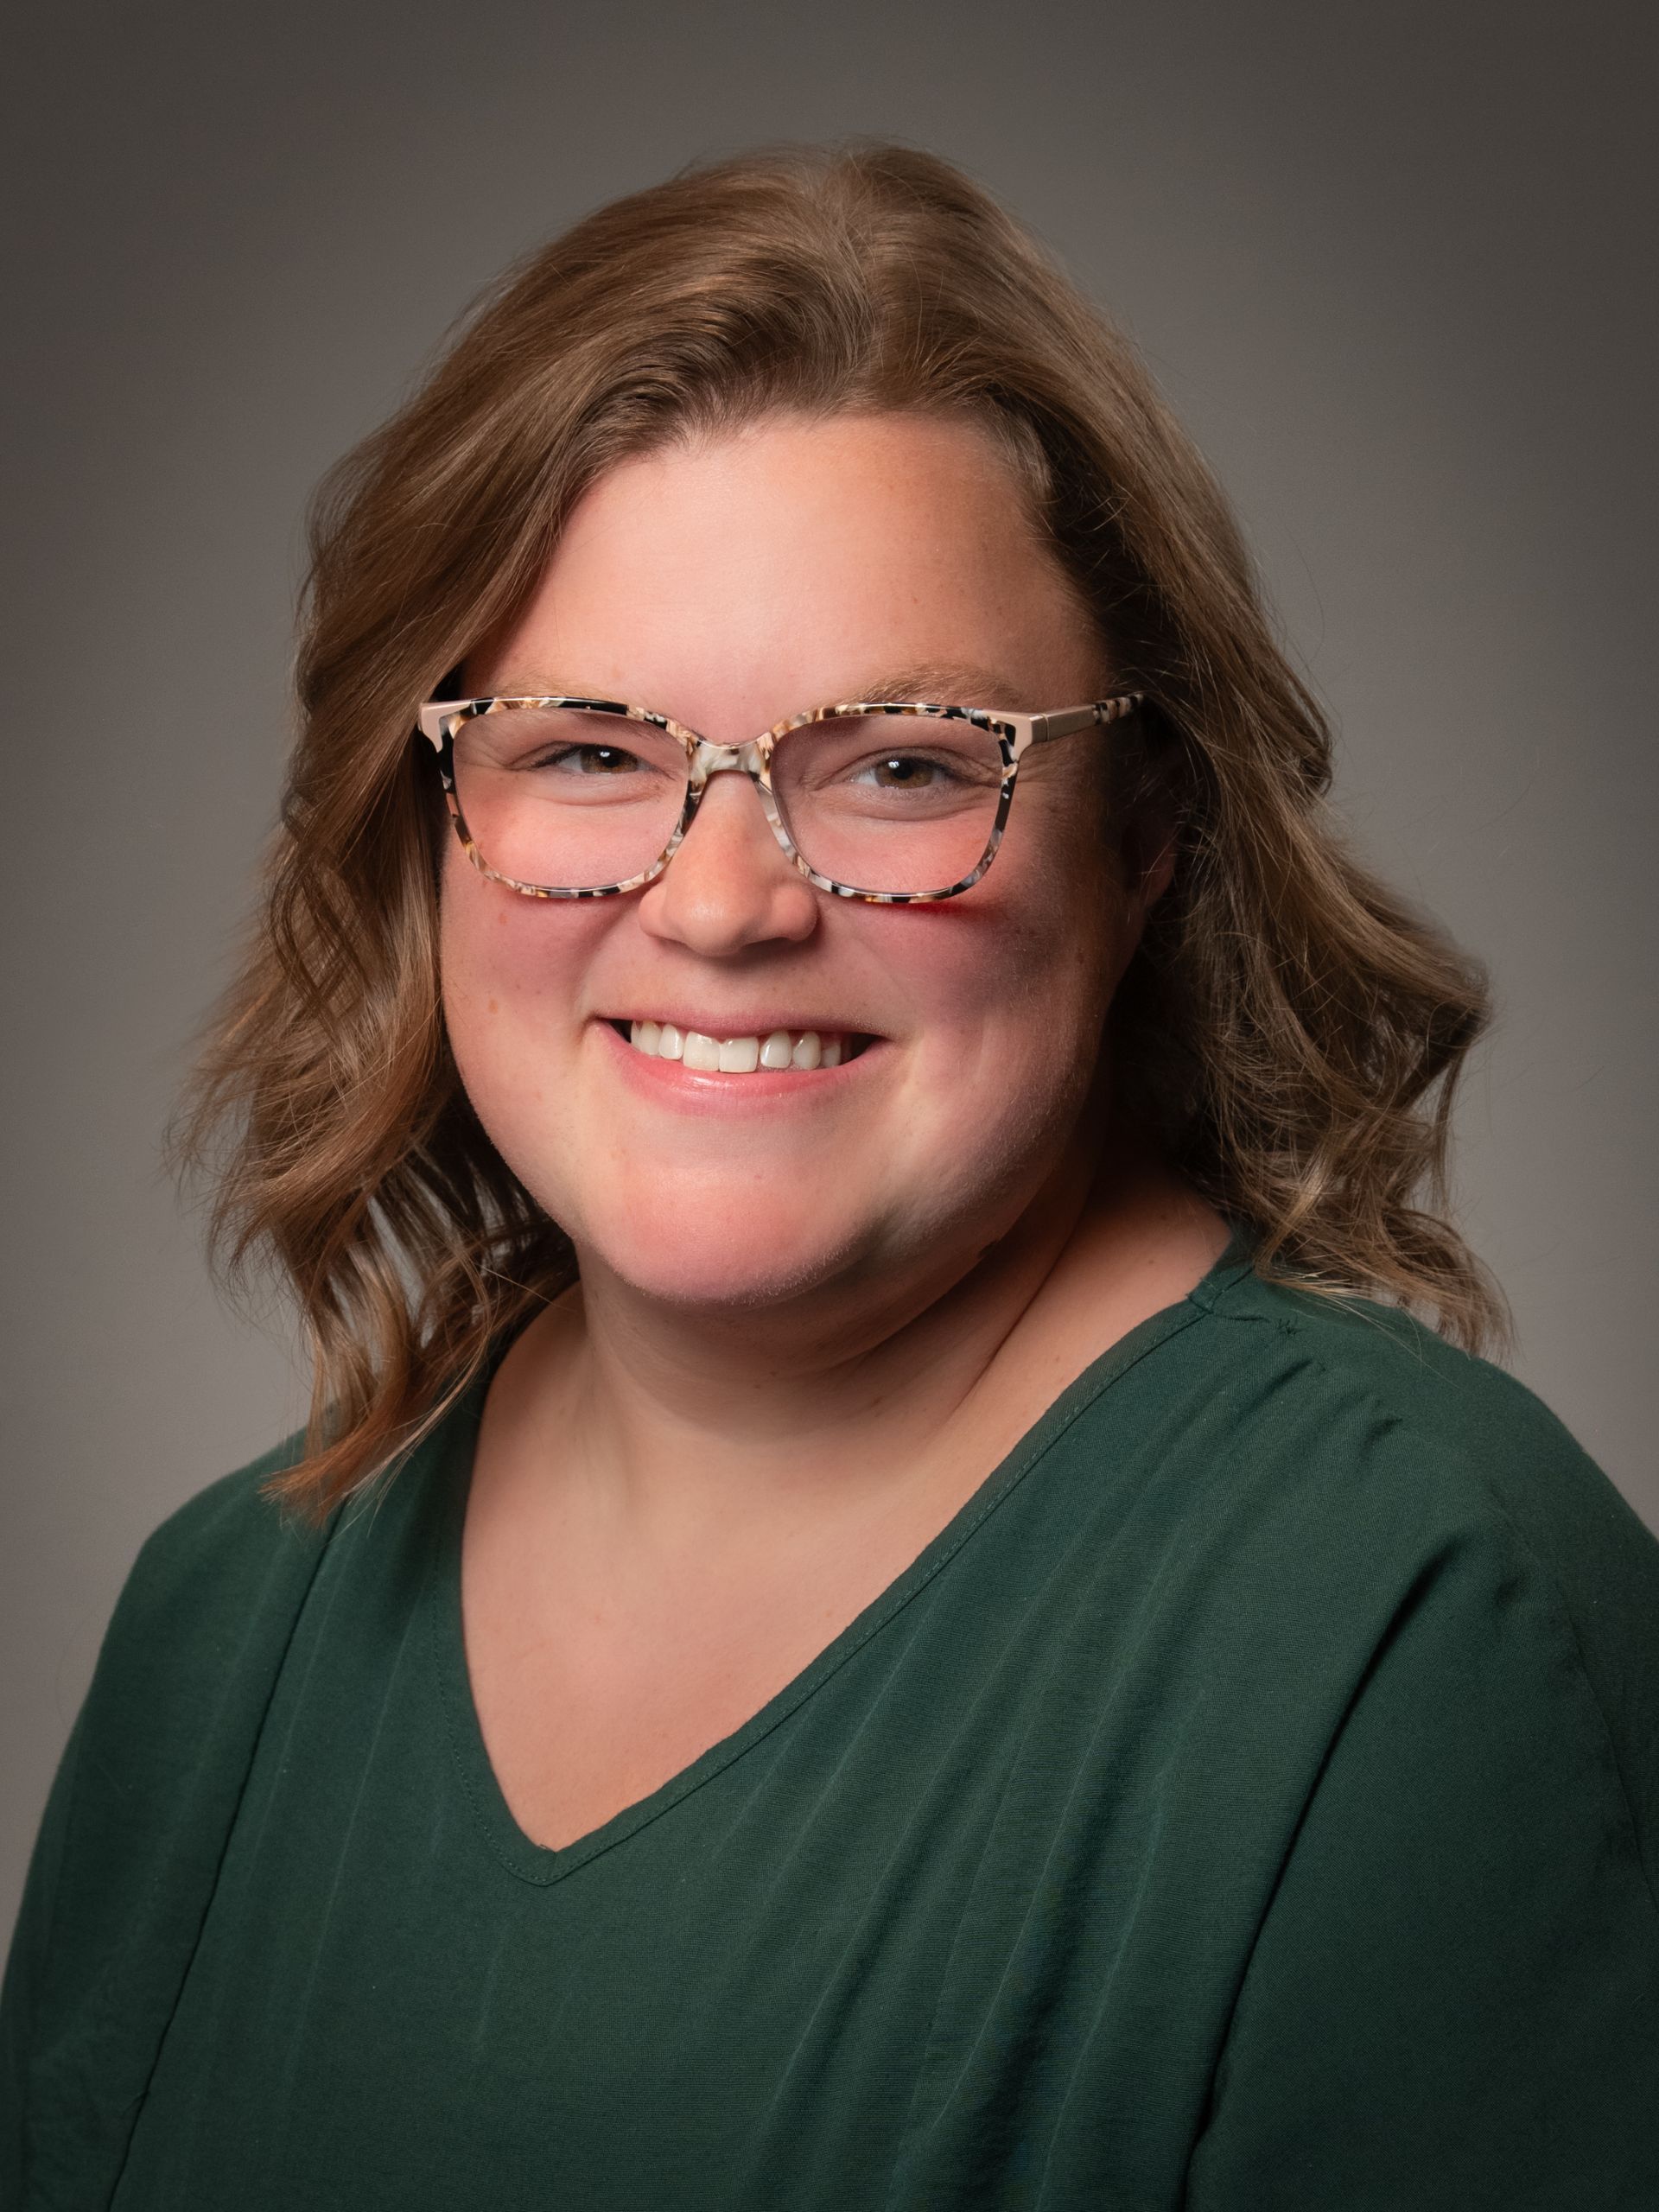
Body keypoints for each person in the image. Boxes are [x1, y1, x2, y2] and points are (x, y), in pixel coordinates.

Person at [3, 142, 1656, 2211]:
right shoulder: (222, 1629)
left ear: (1144, 841)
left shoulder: (1422, 1639)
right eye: (587, 747)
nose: (721, 907)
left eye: (902, 763)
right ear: (422, 817)